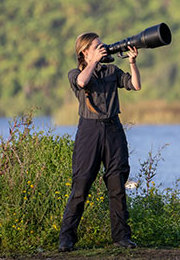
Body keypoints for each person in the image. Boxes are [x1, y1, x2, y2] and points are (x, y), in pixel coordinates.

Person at [58, 32, 140, 252]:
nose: (102, 48)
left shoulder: (112, 71)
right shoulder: (75, 73)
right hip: (89, 131)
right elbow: (83, 81)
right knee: (81, 185)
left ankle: (122, 237)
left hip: (113, 129)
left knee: (117, 185)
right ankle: (66, 239)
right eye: (97, 46)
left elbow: (135, 85)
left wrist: (132, 63)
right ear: (84, 51)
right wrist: (93, 62)